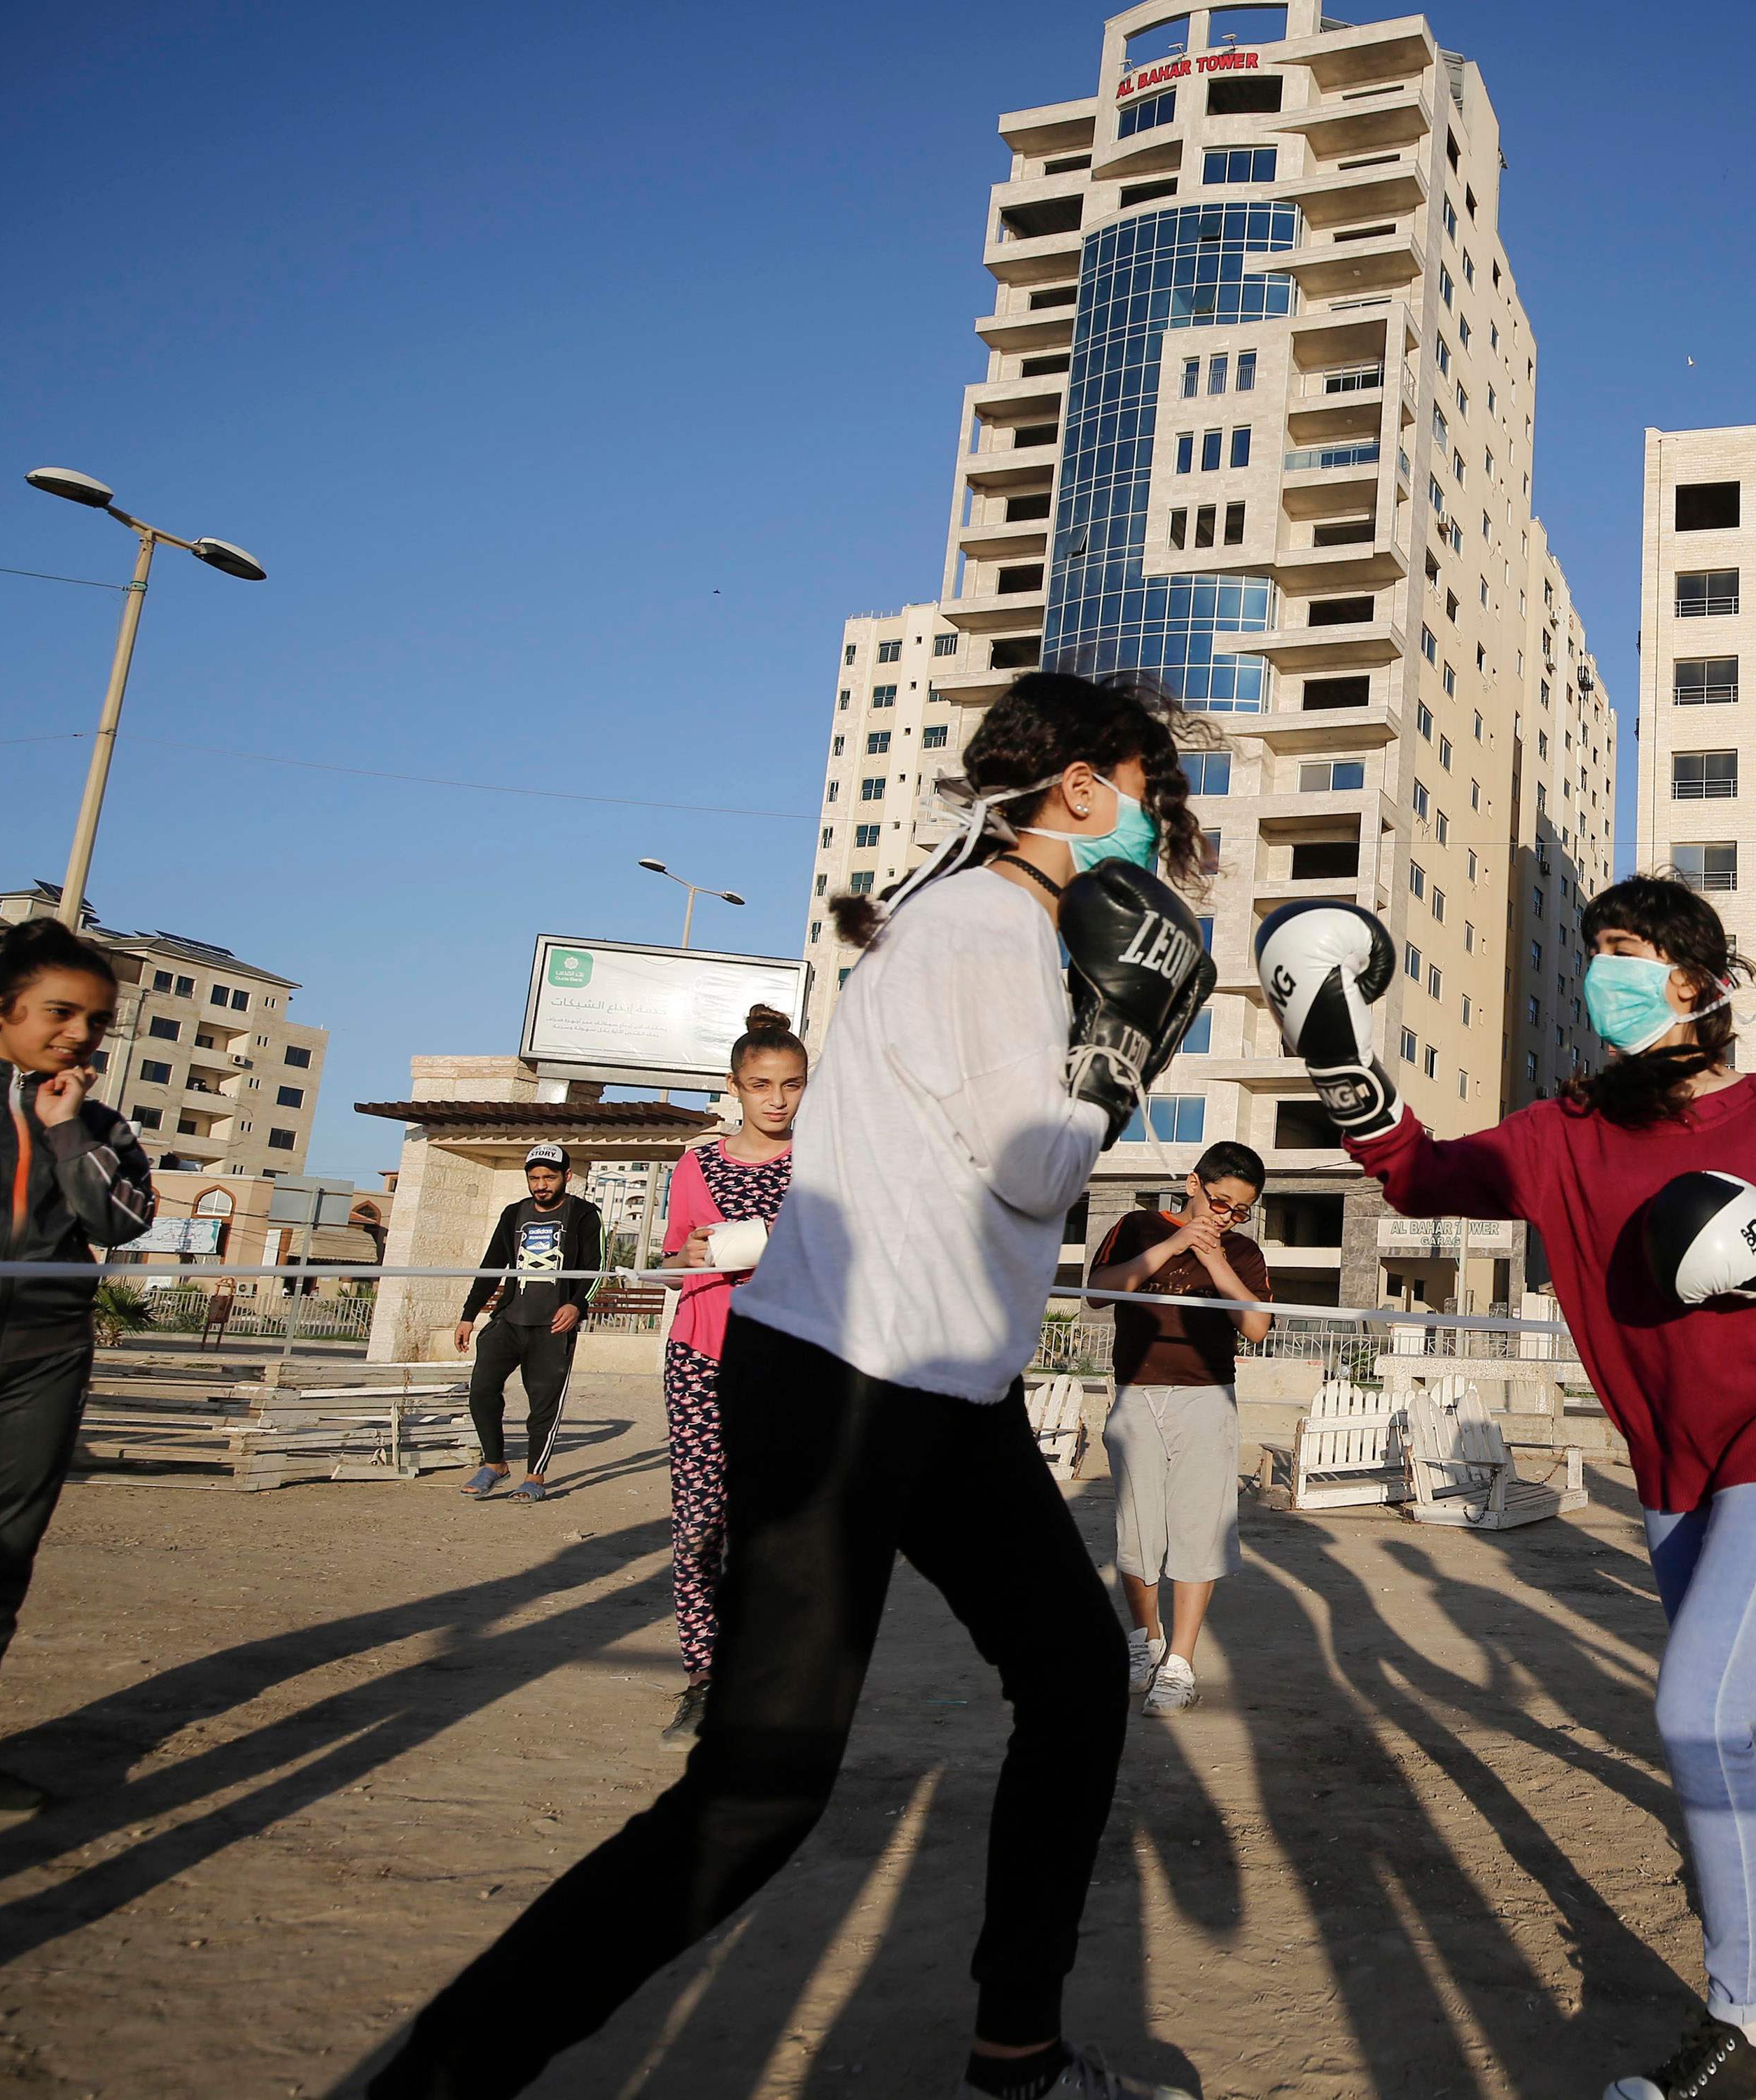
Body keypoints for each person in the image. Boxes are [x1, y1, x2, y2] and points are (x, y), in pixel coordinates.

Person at [374, 671, 1218, 2100]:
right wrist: (1121, 1050)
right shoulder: (985, 925)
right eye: (1150, 793)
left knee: (1077, 1685)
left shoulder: (985, 928)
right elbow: (1036, 1166)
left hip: (939, 1388)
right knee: (761, 1792)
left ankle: (1018, 2057)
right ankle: (442, 2078)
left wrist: (1099, 1040)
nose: (1159, 825)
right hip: (846, 1388)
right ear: (1082, 787)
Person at [1261, 873, 1756, 2100]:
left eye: (1623, 949)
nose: (1601, 973)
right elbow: (1419, 1176)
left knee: (1697, 1711)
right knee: (1743, 1693)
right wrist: (1341, 1063)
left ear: (1692, 979)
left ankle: (1751, 2038)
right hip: (1670, 1461)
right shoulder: (1562, 1131)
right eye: (1593, 950)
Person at [0, 916, 153, 1814]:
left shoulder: (98, 1124)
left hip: (44, 1357)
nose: (80, 1035)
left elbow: (120, 1223)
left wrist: (62, 1132)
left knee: (5, 1554)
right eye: (60, 1012)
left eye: (97, 1020)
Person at [648, 1004, 805, 1748]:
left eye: (792, 1084)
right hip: (701, 1356)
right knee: (699, 1525)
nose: (777, 1099)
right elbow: (674, 1259)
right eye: (761, 1084)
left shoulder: (824, 1166)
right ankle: (704, 1679)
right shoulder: (696, 1165)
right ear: (735, 1086)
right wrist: (685, 1258)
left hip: (792, 1360)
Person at [1087, 1141, 1273, 1717]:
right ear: (1193, 1184)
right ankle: (1145, 1641)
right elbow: (1097, 1293)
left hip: (1205, 1397)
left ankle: (1181, 1665)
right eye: (1220, 1203)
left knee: (1197, 1529)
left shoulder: (1242, 1252)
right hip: (1137, 1393)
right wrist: (1174, 1244)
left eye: (1241, 1210)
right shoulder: (1137, 1227)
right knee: (1137, 1529)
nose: (1228, 1216)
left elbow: (1257, 1328)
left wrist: (1215, 1259)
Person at [452, 1144, 602, 1504]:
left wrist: (577, 1305)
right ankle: (495, 1464)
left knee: (543, 1404)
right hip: (509, 1320)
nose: (541, 1185)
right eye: (534, 1178)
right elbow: (492, 1266)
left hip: (553, 1327)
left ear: (567, 1176)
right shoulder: (513, 1213)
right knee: (482, 1390)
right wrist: (468, 1316)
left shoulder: (584, 1214)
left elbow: (596, 1268)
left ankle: (534, 1477)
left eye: (549, 1177)